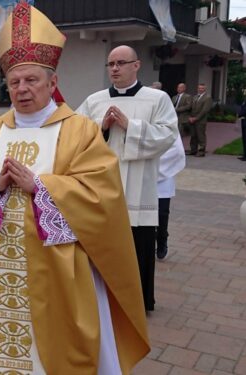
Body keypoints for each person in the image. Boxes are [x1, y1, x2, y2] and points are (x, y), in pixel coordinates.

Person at [0, 4, 150, 374]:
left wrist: (40, 186)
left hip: (57, 272)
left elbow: (102, 196)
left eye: (32, 80)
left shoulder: (79, 130)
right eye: (14, 82)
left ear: (52, 83)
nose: (21, 89)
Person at [76, 45, 178, 312]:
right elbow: (75, 135)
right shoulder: (94, 100)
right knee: (103, 243)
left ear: (136, 65)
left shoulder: (157, 99)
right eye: (110, 64)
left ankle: (139, 300)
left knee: (139, 244)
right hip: (102, 185)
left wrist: (130, 126)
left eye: (121, 63)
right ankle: (103, 298)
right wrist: (102, 126)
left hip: (139, 186)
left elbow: (167, 134)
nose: (115, 69)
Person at [156, 133, 186, 260]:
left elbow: (177, 150)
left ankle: (162, 238)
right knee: (145, 210)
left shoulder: (168, 123)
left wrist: (156, 162)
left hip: (164, 175)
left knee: (162, 212)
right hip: (144, 174)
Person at [188, 83, 213, 157]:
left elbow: (204, 110)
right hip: (192, 119)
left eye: (202, 88)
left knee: (200, 136)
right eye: (199, 88)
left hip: (201, 120)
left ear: (205, 89)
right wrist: (190, 117)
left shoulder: (207, 98)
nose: (200, 90)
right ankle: (193, 150)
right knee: (193, 136)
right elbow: (191, 108)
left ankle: (201, 151)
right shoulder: (195, 97)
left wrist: (196, 118)